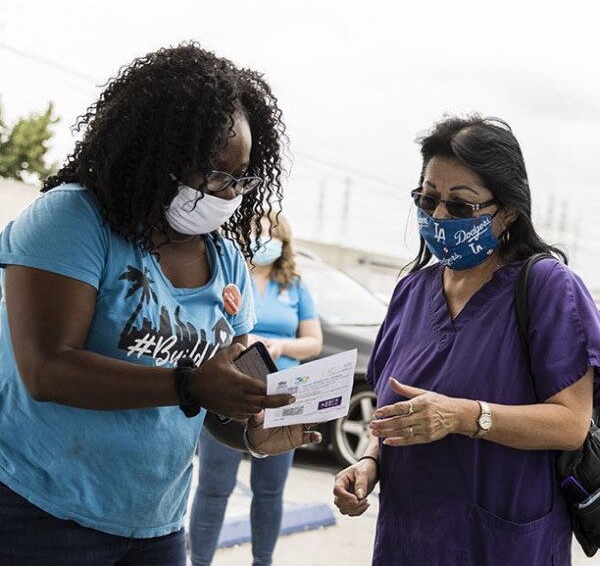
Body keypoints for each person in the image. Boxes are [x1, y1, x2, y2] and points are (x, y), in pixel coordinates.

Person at [0, 42, 322, 566]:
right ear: (159, 156)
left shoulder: (227, 261)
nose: (231, 191)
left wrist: (255, 431)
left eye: (242, 176)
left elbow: (217, 404)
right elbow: (46, 369)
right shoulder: (72, 221)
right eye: (216, 173)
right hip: (41, 512)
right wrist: (187, 384)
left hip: (156, 525)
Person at [333, 114, 600, 565]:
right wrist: (369, 464)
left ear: (507, 212)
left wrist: (465, 417)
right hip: (409, 540)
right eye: (428, 199)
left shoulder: (547, 288)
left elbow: (571, 424)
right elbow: (392, 414)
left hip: (504, 543)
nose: (439, 216)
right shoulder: (411, 292)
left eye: (460, 206)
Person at [189, 211, 323, 566]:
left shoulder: (294, 285)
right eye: (256, 230)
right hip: (230, 391)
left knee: (269, 490)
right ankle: (199, 561)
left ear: (284, 241)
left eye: (271, 232)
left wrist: (280, 347)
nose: (263, 238)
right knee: (214, 487)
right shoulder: (231, 274)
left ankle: (262, 561)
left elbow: (313, 341)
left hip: (283, 397)